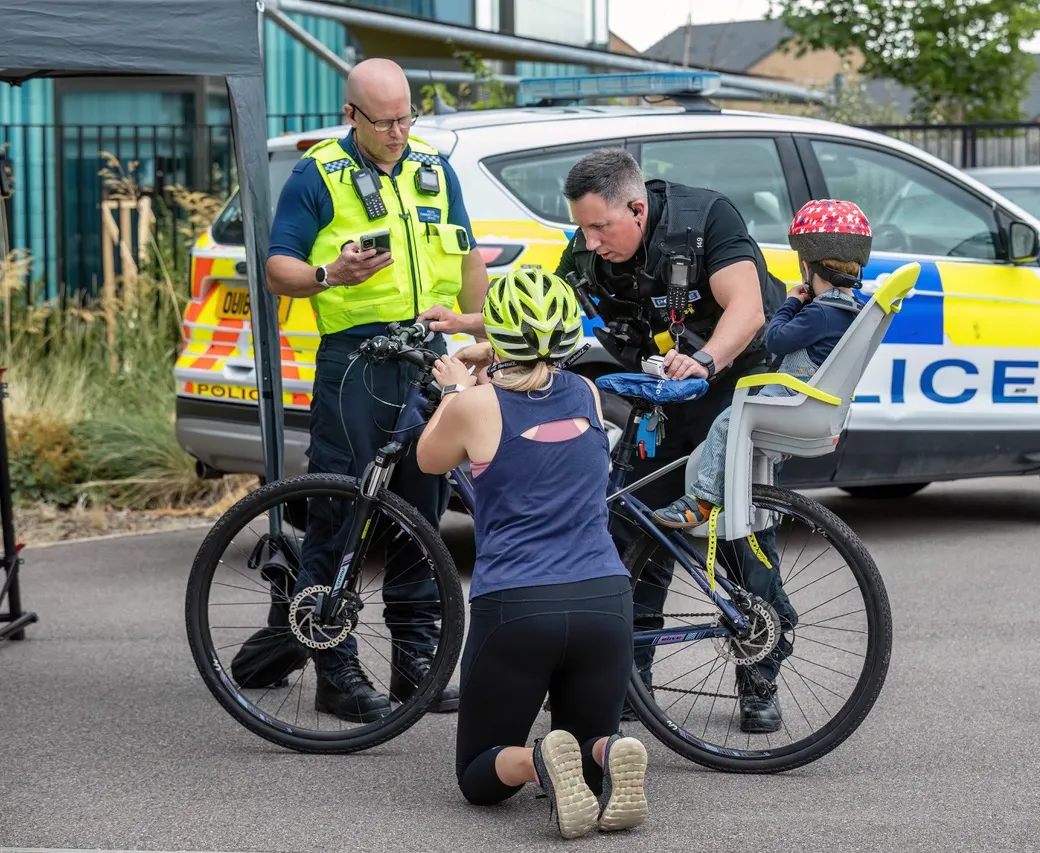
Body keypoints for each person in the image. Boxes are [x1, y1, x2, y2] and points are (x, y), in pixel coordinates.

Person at [229, 57, 490, 720]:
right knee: (337, 511)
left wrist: (474, 333)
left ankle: (415, 667)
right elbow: (278, 269)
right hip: (354, 363)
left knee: (421, 514)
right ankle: (336, 671)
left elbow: (467, 258)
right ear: (352, 116)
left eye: (407, 116)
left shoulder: (434, 167)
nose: (399, 130)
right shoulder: (317, 174)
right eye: (385, 121)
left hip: (427, 359)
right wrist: (330, 273)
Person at [552, 147, 795, 734]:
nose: (589, 242)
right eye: (581, 227)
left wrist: (706, 360)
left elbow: (749, 305)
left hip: (730, 390)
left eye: (600, 227)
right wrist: (479, 339)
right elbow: (546, 310)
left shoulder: (706, 217)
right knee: (636, 529)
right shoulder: (589, 246)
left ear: (637, 209)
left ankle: (758, 674)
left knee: (737, 534)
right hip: (660, 397)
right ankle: (631, 678)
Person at [415, 267, 650, 839]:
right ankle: (606, 750)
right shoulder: (590, 394)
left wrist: (453, 391)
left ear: (500, 335)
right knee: (588, 756)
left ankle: (538, 760)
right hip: (606, 600)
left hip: (518, 607)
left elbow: (428, 460)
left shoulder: (475, 406)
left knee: (479, 774)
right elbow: (539, 376)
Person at [653, 198, 873, 527]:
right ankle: (760, 510)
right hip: (817, 403)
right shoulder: (852, 311)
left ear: (806, 268)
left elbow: (775, 338)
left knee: (728, 421)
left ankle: (701, 501)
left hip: (794, 400)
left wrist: (789, 303)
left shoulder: (820, 313)